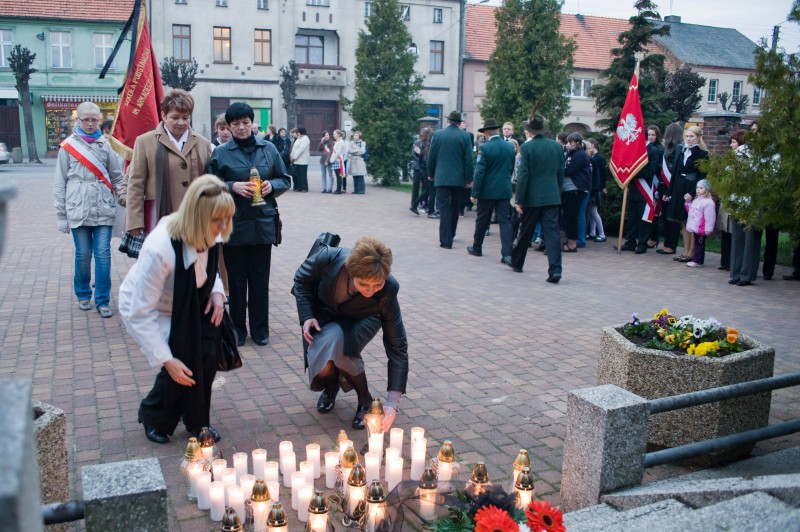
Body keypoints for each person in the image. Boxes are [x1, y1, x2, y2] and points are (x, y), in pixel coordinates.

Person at [119, 175, 234, 444]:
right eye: (219, 220)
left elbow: (207, 267)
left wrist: (217, 292)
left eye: (227, 218)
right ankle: (154, 414)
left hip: (192, 300)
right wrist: (166, 360)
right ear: (197, 217)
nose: (224, 227)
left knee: (207, 350)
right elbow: (140, 313)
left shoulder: (211, 229)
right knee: (179, 358)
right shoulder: (159, 249)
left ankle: (196, 420)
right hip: (152, 308)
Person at [293, 236, 408, 431]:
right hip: (325, 314)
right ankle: (331, 387)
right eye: (364, 284)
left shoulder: (389, 289)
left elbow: (397, 346)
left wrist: (392, 403)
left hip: (365, 317)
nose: (370, 291)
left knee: (340, 344)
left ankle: (365, 399)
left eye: (377, 285)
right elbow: (301, 280)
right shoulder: (328, 258)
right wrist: (307, 316)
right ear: (350, 271)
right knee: (323, 365)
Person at [207, 102, 291, 346]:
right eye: (236, 124)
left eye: (246, 122)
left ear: (253, 124)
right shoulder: (221, 153)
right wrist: (232, 186)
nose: (241, 127)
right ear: (229, 127)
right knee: (236, 280)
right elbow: (210, 183)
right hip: (233, 224)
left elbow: (284, 178)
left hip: (263, 223)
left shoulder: (269, 149)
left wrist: (271, 186)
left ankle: (260, 330)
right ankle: (237, 331)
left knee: (260, 279)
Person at [53, 101, 125, 318]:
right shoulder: (68, 147)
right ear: (79, 120)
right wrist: (61, 215)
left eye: (95, 119)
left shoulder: (106, 145)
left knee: (103, 254)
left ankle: (103, 300)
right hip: (78, 208)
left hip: (103, 207)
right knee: (83, 254)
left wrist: (123, 196)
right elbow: (59, 183)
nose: (92, 123)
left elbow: (117, 176)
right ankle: (83, 292)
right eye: (87, 120)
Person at [126, 89, 213, 237]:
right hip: (159, 218)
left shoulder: (203, 143)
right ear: (164, 116)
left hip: (195, 220)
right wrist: (135, 221)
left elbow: (210, 183)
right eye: (175, 117)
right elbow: (136, 184)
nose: (181, 123)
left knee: (192, 260)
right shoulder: (145, 141)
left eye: (186, 118)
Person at [506, 113, 564, 283]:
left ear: (530, 130)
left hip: (532, 197)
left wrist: (519, 200)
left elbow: (524, 176)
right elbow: (561, 173)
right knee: (552, 233)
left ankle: (517, 262)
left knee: (526, 231)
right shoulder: (556, 147)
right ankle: (556, 270)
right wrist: (557, 193)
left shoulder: (527, 148)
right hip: (552, 196)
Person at [467, 118, 515, 262]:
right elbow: (510, 168)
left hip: (487, 191)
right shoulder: (509, 147)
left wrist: (474, 193)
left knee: (482, 220)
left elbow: (480, 172)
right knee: (505, 222)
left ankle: (477, 247)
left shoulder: (485, 148)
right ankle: (507, 253)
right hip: (504, 190)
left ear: (487, 132)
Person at [427, 110, 474, 249]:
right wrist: (469, 178)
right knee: (455, 208)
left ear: (448, 121)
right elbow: (468, 160)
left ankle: (445, 240)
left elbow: (432, 156)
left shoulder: (438, 135)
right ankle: (451, 234)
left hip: (441, 177)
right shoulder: (465, 136)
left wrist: (431, 173)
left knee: (443, 208)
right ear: (459, 122)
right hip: (458, 179)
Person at [665, 125, 709, 263]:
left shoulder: (703, 154)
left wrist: (692, 193)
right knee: (683, 221)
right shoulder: (683, 151)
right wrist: (669, 191)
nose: (689, 139)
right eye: (687, 136)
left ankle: (692, 252)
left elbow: (702, 176)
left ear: (698, 138)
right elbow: (675, 173)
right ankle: (685, 251)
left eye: (691, 136)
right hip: (679, 187)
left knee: (691, 221)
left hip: (692, 188)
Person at [619, 126, 662, 254]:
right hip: (633, 188)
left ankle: (642, 243)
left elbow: (650, 172)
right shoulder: (634, 149)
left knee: (643, 218)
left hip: (645, 189)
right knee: (632, 217)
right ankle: (630, 241)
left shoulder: (653, 151)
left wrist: (632, 170)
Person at [561, 132, 591, 253]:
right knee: (569, 216)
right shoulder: (571, 154)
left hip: (576, 190)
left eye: (568, 142)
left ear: (574, 143)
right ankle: (570, 240)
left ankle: (572, 243)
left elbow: (569, 171)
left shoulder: (580, 155)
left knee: (572, 217)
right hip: (569, 190)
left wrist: (559, 171)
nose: (567, 145)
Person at [683, 179, 716, 268]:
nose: (698, 190)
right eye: (697, 188)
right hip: (696, 226)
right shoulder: (696, 200)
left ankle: (698, 260)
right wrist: (687, 202)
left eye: (701, 188)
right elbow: (691, 210)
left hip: (702, 227)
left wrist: (708, 229)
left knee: (700, 244)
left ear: (706, 189)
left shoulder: (708, 202)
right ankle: (697, 260)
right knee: (697, 243)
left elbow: (710, 217)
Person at [585, 138, 608, 242]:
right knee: (592, 210)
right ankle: (593, 232)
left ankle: (602, 234)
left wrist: (602, 186)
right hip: (596, 187)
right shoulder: (595, 157)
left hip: (596, 187)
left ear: (593, 145)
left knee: (594, 210)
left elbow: (602, 174)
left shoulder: (598, 158)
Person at [410, 128, 431, 215]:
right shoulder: (417, 142)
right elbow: (413, 154)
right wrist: (419, 158)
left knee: (425, 187)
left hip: (423, 167)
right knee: (416, 185)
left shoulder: (428, 143)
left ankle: (423, 203)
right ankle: (414, 203)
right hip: (418, 167)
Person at [290, 127, 310, 192]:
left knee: (303, 175)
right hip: (296, 161)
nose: (297, 133)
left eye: (298, 132)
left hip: (303, 160)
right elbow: (294, 148)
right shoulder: (298, 138)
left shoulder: (305, 139)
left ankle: (304, 187)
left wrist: (294, 157)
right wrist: (291, 155)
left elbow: (301, 149)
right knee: (297, 175)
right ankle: (299, 187)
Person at [331, 129, 347, 194]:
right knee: (337, 176)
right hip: (336, 160)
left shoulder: (340, 142)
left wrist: (332, 160)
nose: (333, 135)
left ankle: (338, 190)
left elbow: (338, 152)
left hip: (338, 160)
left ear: (338, 134)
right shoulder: (338, 141)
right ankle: (337, 189)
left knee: (339, 176)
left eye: (334, 134)